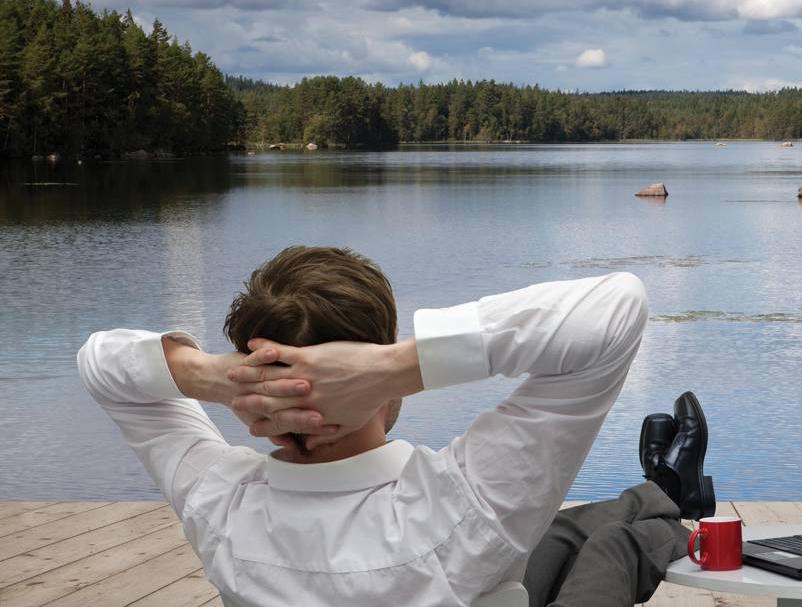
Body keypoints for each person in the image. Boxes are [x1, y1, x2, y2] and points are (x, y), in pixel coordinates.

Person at [78, 245, 715, 607]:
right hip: (479, 558)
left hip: (469, 568)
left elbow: (103, 365)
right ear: (369, 364)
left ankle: (661, 487)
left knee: (562, 531)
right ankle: (669, 501)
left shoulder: (217, 500)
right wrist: (397, 368)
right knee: (611, 547)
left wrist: (218, 379)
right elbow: (617, 307)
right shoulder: (456, 506)